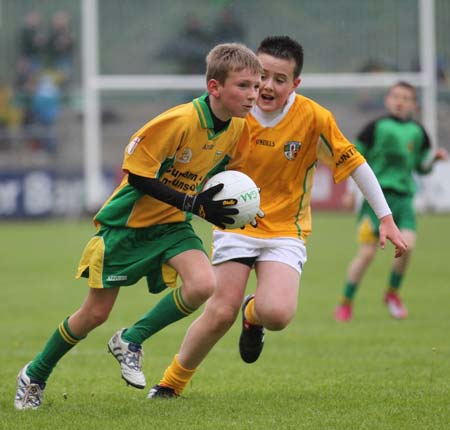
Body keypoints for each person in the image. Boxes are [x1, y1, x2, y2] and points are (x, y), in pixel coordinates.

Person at [144, 35, 408, 399]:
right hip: (236, 223)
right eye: (262, 76)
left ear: (295, 84)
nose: (267, 86)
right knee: (220, 311)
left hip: (287, 229)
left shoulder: (313, 118)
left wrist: (386, 217)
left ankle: (253, 316)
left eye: (279, 79)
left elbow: (355, 163)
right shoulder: (234, 113)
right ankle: (171, 383)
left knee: (278, 314)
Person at [14, 42, 263, 410]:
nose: (253, 95)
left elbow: (220, 175)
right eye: (244, 86)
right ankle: (34, 375)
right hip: (127, 226)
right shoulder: (178, 121)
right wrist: (192, 203)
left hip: (172, 225)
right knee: (93, 315)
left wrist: (239, 206)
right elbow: (137, 177)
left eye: (256, 87)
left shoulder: (237, 128)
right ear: (215, 87)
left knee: (204, 284)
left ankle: (131, 339)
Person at [335, 81, 448, 322]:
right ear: (388, 100)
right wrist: (349, 191)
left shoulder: (418, 133)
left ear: (413, 104)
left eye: (406, 98)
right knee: (366, 254)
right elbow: (352, 159)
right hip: (374, 201)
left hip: (404, 199)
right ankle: (346, 301)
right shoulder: (375, 127)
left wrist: (433, 161)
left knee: (408, 246)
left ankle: (392, 294)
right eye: (396, 96)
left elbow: (421, 168)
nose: (400, 101)